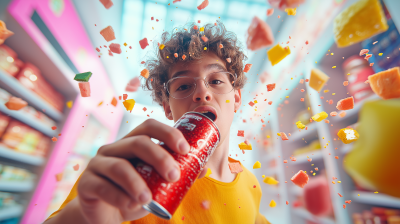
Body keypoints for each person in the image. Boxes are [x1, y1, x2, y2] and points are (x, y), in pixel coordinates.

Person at [44, 21, 270, 224]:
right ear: (167, 108)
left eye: (216, 80)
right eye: (183, 86)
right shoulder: (137, 176)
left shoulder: (251, 184)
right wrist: (84, 218)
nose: (202, 92)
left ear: (236, 98)